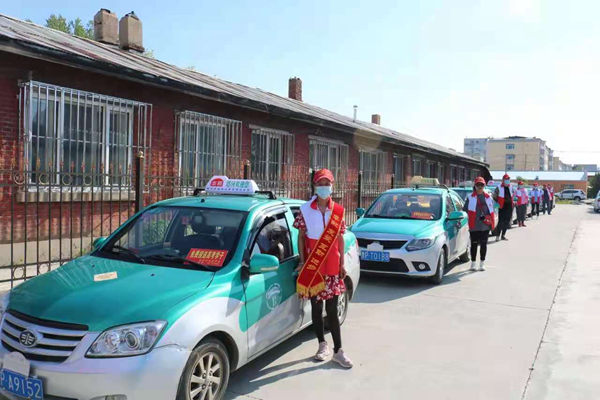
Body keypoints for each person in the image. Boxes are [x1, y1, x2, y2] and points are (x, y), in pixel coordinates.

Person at [293, 168, 353, 368]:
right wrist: (303, 261)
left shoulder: (338, 211)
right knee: (317, 309)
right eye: (321, 184)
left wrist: (342, 263)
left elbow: (340, 238)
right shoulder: (305, 210)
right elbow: (301, 237)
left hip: (333, 266)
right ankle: (322, 345)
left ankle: (338, 351)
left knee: (333, 310)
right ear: (314, 186)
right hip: (314, 266)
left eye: (327, 184)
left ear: (332, 186)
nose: (324, 187)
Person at [463, 177, 495, 271]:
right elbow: (465, 210)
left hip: (485, 226)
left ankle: (482, 263)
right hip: (474, 226)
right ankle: (473, 263)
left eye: (482, 185)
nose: (480, 187)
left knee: (483, 245)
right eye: (478, 185)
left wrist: (492, 223)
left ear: (484, 186)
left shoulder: (488, 197)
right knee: (474, 245)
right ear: (475, 186)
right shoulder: (470, 197)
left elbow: (492, 211)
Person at [494, 173, 515, 241]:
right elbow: (494, 196)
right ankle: (497, 235)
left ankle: (503, 235)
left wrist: (514, 201)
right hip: (502, 206)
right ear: (503, 180)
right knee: (501, 221)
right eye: (506, 179)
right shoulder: (499, 187)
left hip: (509, 206)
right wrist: (497, 203)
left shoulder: (511, 187)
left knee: (507, 221)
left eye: (508, 179)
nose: (507, 180)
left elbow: (513, 195)